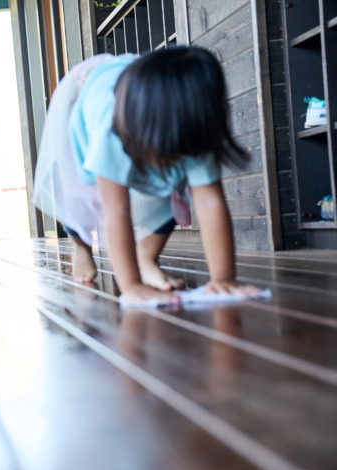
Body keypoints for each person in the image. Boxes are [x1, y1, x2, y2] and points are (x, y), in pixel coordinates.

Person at [34, 47, 260, 305]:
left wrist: (223, 277)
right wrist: (130, 286)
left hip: (142, 88)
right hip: (91, 96)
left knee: (173, 195)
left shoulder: (194, 125)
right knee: (82, 200)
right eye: (164, 154)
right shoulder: (110, 133)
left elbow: (210, 201)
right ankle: (82, 247)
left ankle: (146, 257)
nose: (169, 164)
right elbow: (116, 211)